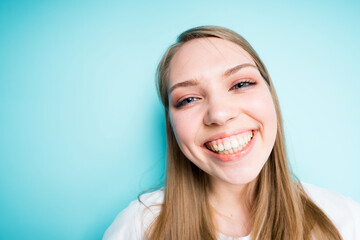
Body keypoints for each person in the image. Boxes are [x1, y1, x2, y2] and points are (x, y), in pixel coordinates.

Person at [103, 26, 360, 240]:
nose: (219, 114)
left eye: (241, 84)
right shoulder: (137, 228)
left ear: (271, 97)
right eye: (189, 99)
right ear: (171, 123)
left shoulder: (345, 220)